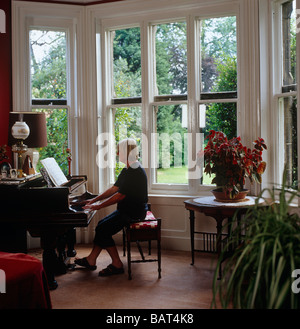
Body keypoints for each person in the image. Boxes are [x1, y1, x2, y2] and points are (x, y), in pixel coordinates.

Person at [74, 138, 148, 276]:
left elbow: (120, 196)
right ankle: (91, 260)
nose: (117, 153)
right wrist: (94, 200)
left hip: (134, 212)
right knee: (102, 225)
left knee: (103, 229)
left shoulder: (134, 170)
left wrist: (99, 206)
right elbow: (114, 189)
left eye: (119, 150)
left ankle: (117, 264)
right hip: (127, 210)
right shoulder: (128, 169)